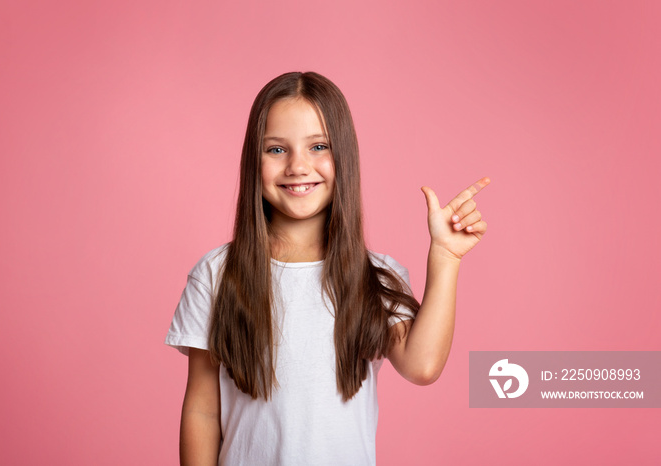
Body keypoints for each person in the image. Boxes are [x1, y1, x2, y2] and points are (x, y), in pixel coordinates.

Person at [165, 71, 489, 465]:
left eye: (318, 146)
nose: (298, 167)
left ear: (344, 157)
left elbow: (421, 366)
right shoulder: (217, 274)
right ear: (254, 159)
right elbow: (202, 408)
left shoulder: (374, 275)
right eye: (276, 150)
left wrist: (446, 258)